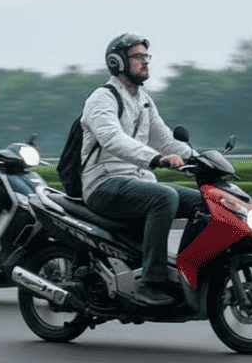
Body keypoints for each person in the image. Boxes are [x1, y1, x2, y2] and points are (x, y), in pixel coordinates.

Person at [80, 33, 203, 307]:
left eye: (146, 57)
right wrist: (157, 159)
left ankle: (187, 273)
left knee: (202, 202)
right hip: (104, 184)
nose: (145, 63)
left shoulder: (144, 100)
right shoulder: (102, 99)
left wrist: (202, 160)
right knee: (164, 197)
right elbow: (113, 139)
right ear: (117, 62)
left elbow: (166, 139)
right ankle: (151, 281)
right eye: (138, 57)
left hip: (137, 181)